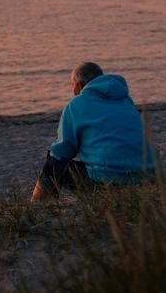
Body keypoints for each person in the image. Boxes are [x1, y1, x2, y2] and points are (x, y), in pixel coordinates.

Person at [31, 62, 155, 202]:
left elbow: (63, 151)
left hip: (109, 179)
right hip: (147, 175)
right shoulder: (125, 100)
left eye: (72, 86)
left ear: (79, 85)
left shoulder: (77, 104)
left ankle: (38, 207)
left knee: (52, 165)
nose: (73, 92)